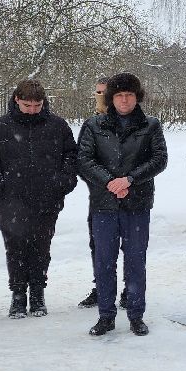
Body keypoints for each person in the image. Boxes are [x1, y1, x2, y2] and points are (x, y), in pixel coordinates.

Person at [0, 79, 78, 319]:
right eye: (27, 105)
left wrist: (61, 183)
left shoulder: (58, 126)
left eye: (37, 105)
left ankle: (38, 293)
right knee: (15, 248)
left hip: (47, 199)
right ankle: (18, 294)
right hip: (11, 200)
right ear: (16, 100)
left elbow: (71, 157)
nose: (32, 110)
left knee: (41, 247)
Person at [77, 72, 166, 337]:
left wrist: (129, 179)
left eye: (129, 95)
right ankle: (106, 316)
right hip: (104, 205)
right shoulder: (94, 125)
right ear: (111, 98)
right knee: (104, 261)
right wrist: (109, 181)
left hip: (137, 204)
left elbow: (159, 159)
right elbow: (84, 159)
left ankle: (136, 315)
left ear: (136, 97)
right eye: (119, 95)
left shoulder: (150, 126)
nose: (124, 100)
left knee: (136, 261)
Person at [77, 78, 108, 309]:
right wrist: (102, 181)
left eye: (104, 93)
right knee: (98, 245)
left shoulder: (137, 123)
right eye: (97, 92)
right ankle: (102, 286)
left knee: (129, 247)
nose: (100, 97)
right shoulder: (91, 124)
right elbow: (83, 160)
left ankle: (129, 288)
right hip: (99, 195)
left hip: (130, 195)